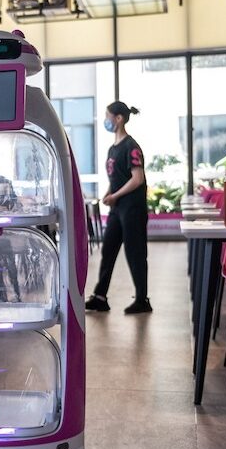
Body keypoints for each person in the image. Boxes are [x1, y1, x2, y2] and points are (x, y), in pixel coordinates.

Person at [85, 101, 152, 315]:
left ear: (119, 118)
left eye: (108, 116)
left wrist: (115, 196)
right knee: (108, 250)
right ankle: (100, 296)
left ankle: (142, 299)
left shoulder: (131, 146)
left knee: (135, 253)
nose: (106, 120)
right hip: (117, 208)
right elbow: (117, 178)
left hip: (132, 208)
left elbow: (137, 178)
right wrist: (108, 193)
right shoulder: (113, 148)